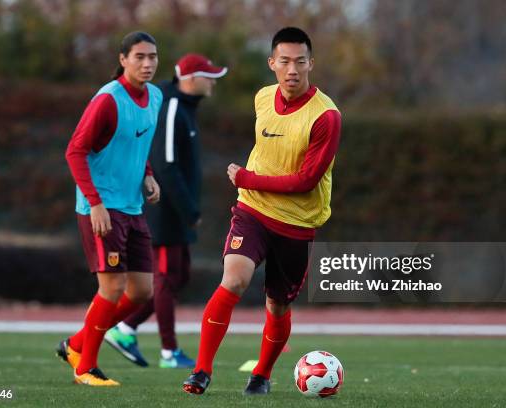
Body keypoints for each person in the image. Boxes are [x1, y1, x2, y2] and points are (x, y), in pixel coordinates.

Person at [182, 26, 342, 395]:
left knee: (278, 304)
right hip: (253, 212)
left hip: (297, 224)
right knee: (234, 279)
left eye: (300, 62)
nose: (292, 70)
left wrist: (246, 178)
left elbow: (305, 181)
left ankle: (262, 376)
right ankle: (201, 371)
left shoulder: (326, 117)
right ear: (272, 63)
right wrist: (249, 187)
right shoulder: (262, 98)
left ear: (311, 64)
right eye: (284, 61)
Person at [104, 54, 227, 368]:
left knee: (179, 276)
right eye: (208, 76)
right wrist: (188, 209)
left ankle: (125, 328)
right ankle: (169, 352)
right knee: (166, 279)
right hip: (165, 212)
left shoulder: (184, 107)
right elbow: (167, 166)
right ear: (190, 79)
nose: (213, 82)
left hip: (176, 212)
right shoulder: (172, 107)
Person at [56, 31, 163, 386]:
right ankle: (85, 367)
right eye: (139, 57)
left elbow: (139, 144)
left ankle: (75, 344)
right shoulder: (107, 100)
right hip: (101, 207)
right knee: (112, 288)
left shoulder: (156, 97)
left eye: (152, 57)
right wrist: (96, 204)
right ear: (123, 60)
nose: (147, 64)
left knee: (142, 292)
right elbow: (75, 151)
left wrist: (147, 175)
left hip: (132, 207)